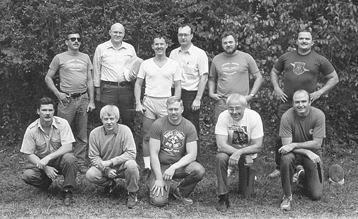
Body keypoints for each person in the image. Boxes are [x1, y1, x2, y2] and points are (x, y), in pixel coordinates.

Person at [268, 30, 339, 178]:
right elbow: (274, 71)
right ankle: (280, 166)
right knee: (281, 136)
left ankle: (306, 165)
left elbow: (334, 78)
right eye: (301, 39)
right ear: (297, 41)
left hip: (306, 105)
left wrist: (319, 93)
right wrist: (276, 88)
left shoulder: (319, 59)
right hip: (286, 102)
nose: (304, 41)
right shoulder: (286, 57)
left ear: (312, 42)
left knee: (307, 135)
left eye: (307, 39)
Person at [45, 30, 95, 174]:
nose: (76, 41)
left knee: (81, 134)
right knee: (60, 133)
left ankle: (80, 162)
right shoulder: (59, 58)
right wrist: (58, 94)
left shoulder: (85, 57)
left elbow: (90, 80)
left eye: (78, 39)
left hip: (83, 99)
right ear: (66, 42)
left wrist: (91, 101)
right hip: (66, 100)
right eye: (72, 39)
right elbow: (48, 78)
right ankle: (59, 162)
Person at [135, 35, 181, 177]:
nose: (159, 46)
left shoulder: (174, 64)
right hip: (149, 102)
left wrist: (176, 102)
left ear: (166, 45)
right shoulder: (146, 63)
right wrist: (138, 102)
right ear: (153, 46)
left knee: (168, 135)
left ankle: (167, 163)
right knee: (147, 135)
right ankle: (148, 167)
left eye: (162, 44)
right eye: (157, 44)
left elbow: (178, 85)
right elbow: (138, 83)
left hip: (166, 102)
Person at [148, 96, 205, 206]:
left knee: (199, 170)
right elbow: (153, 154)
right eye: (170, 109)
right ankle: (153, 181)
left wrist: (174, 167)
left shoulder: (189, 126)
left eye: (176, 109)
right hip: (161, 166)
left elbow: (192, 155)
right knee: (158, 202)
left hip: (178, 166)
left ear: (182, 109)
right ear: (167, 109)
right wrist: (159, 178)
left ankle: (181, 191)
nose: (173, 112)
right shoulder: (157, 124)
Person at [21, 97, 78, 206]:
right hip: (41, 163)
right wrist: (45, 167)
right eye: (44, 110)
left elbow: (68, 146)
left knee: (70, 159)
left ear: (54, 111)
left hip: (59, 161)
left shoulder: (63, 123)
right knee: (27, 175)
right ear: (38, 111)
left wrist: (48, 158)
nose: (47, 113)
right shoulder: (31, 129)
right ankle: (45, 183)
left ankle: (68, 191)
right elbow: (28, 154)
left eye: (50, 110)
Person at [214, 93, 263, 212]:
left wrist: (242, 153)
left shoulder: (254, 117)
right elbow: (221, 145)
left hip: (248, 154)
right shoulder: (223, 116)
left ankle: (237, 170)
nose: (234, 112)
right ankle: (222, 196)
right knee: (220, 157)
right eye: (231, 108)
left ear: (245, 107)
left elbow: (258, 146)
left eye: (238, 108)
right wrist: (239, 153)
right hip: (228, 152)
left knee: (246, 193)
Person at [279, 89, 325, 211]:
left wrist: (294, 145)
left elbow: (317, 143)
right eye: (297, 102)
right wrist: (306, 151)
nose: (300, 105)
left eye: (304, 101)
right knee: (286, 158)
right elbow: (286, 147)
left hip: (312, 152)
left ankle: (301, 175)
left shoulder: (319, 115)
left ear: (310, 102)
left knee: (316, 195)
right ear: (293, 103)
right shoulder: (287, 117)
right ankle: (287, 195)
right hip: (294, 154)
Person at [86, 105, 139, 209]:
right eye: (105, 119)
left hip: (122, 166)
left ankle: (132, 193)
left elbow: (131, 153)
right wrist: (106, 170)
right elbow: (93, 157)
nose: (109, 122)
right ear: (101, 119)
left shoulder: (125, 130)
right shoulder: (94, 134)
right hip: (105, 166)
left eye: (112, 119)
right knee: (90, 174)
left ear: (117, 119)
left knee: (132, 165)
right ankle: (110, 184)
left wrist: (111, 162)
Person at [208, 31, 263, 123]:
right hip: (222, 103)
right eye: (225, 43)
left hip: (242, 102)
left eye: (230, 42)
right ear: (222, 45)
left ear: (236, 43)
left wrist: (251, 95)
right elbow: (212, 79)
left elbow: (258, 77)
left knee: (243, 132)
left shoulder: (246, 57)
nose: (228, 45)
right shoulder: (216, 59)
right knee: (223, 131)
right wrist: (211, 93)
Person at [93, 23, 137, 131]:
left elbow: (136, 67)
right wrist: (98, 91)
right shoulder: (101, 48)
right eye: (115, 32)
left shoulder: (130, 49)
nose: (117, 35)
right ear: (110, 33)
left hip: (126, 88)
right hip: (108, 89)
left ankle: (128, 146)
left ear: (124, 34)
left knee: (128, 120)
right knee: (107, 119)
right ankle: (107, 146)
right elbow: (96, 70)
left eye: (120, 32)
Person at [169, 24, 209, 146]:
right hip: (175, 92)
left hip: (191, 94)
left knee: (191, 127)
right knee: (174, 125)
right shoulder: (173, 53)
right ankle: (176, 156)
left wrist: (198, 98)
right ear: (177, 36)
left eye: (186, 35)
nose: (183, 37)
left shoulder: (200, 54)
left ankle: (193, 159)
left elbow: (204, 77)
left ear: (191, 36)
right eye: (180, 35)